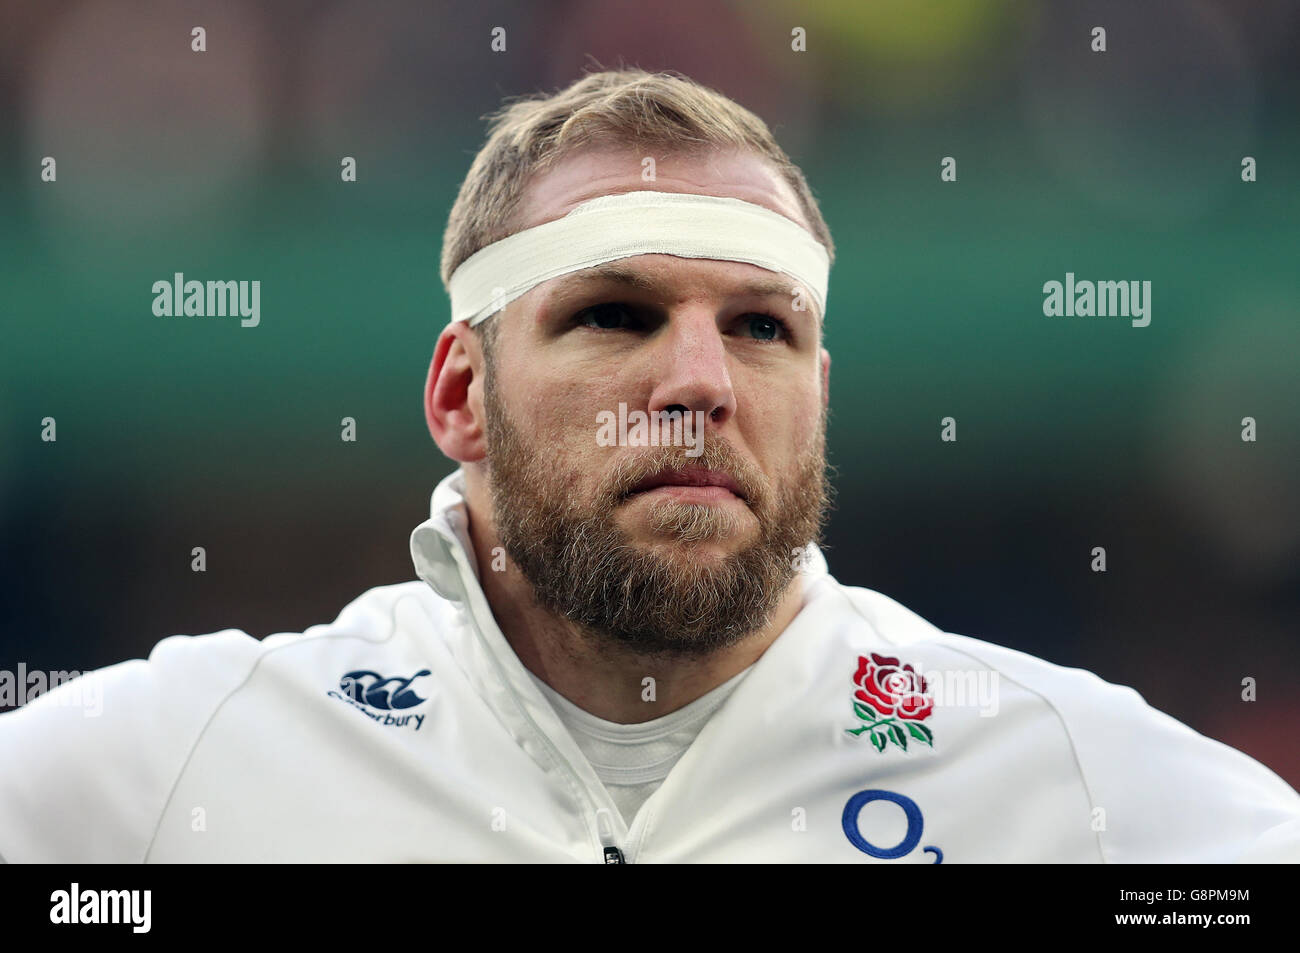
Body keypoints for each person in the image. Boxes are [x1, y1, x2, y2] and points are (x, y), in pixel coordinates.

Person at [1, 68, 1296, 864]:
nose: (701, 383)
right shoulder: (182, 770)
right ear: (461, 391)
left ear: (819, 397)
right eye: (614, 315)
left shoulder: (1077, 784)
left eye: (762, 328)